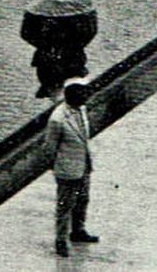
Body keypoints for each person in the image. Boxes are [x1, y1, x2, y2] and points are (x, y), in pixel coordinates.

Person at [44, 78, 99, 256]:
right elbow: (49, 148)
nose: (86, 96)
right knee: (65, 205)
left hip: (83, 164)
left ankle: (78, 231)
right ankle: (60, 240)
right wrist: (58, 167)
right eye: (82, 93)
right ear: (71, 96)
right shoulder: (57, 119)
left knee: (83, 199)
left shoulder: (81, 109)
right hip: (67, 169)